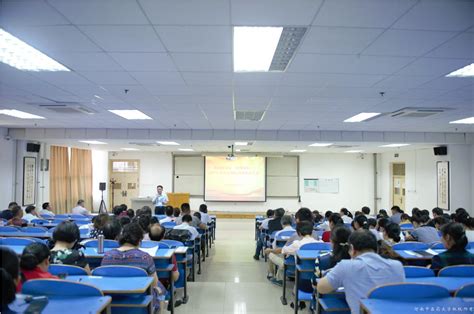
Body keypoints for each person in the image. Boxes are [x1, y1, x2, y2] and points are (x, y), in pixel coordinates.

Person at [317, 230, 405, 314]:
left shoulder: (346, 266)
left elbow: (321, 288)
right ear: (377, 248)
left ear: (351, 249)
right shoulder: (397, 266)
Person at [101, 223, 166, 312]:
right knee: (160, 288)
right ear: (139, 240)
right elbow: (154, 283)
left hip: (111, 302)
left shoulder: (107, 256)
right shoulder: (145, 257)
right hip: (140, 303)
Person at [265, 221, 319, 286]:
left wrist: (270, 250)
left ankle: (275, 277)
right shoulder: (321, 242)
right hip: (317, 272)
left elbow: (282, 250)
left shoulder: (297, 244)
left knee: (271, 254)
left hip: (297, 269)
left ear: (298, 233)